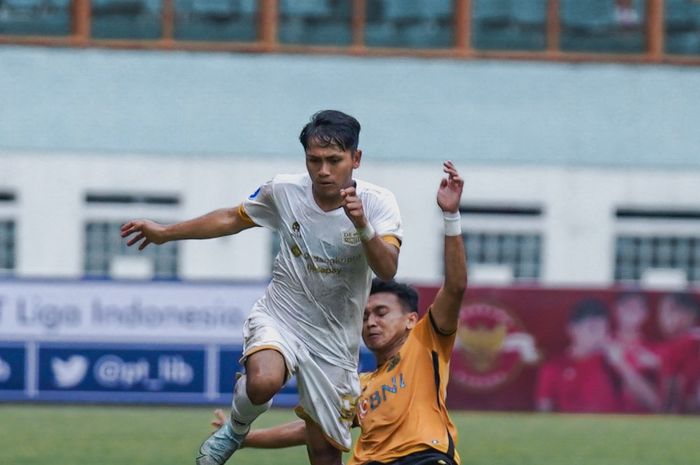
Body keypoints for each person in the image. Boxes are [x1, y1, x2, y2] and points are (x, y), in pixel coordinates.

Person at [121, 110, 403, 465]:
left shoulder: (378, 203)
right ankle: (235, 429)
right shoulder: (284, 190)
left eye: (334, 160)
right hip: (282, 315)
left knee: (325, 453)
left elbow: (387, 268)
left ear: (356, 159)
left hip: (335, 341)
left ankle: (246, 429)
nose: (324, 171)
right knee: (263, 381)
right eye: (314, 160)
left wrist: (362, 225)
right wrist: (165, 233)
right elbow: (231, 218)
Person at [210, 162, 467, 465]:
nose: (371, 321)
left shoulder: (426, 345)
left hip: (422, 458)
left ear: (412, 319)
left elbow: (455, 287)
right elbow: (308, 429)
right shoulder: (358, 384)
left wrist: (450, 217)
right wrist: (245, 438)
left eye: (381, 312)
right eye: (365, 315)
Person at [536, 298, 659, 413]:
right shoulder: (554, 367)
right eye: (592, 329)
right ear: (573, 329)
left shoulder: (612, 363)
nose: (599, 336)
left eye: (603, 330)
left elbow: (653, 403)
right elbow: (544, 412)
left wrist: (622, 365)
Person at [611, 291, 660, 412]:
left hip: (643, 420)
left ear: (645, 313)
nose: (632, 310)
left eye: (638, 307)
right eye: (627, 305)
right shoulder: (601, 345)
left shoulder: (656, 351)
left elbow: (659, 403)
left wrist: (659, 365)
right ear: (616, 309)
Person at [655, 292, 700, 413]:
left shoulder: (674, 347)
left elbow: (671, 397)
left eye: (667, 312)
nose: (661, 318)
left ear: (688, 314)